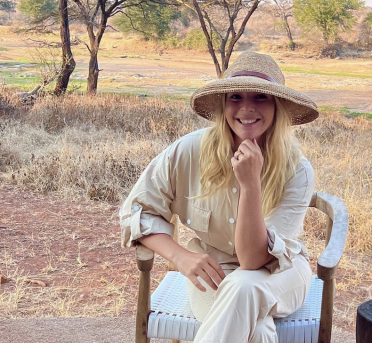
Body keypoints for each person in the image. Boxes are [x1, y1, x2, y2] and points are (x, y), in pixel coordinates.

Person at [119, 51, 319, 343]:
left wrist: (250, 185)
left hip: (281, 273)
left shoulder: (296, 170)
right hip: (215, 270)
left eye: (261, 97)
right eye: (235, 96)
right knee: (258, 330)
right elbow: (138, 212)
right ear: (224, 104)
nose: (247, 108)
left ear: (277, 106)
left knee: (244, 286)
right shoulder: (187, 152)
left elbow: (252, 261)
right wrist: (181, 257)